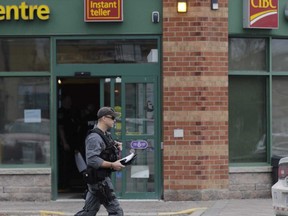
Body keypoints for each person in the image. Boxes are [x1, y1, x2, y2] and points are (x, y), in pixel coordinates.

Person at [75, 107, 125, 216]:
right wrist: (112, 164)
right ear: (103, 118)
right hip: (99, 181)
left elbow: (108, 154)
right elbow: (93, 160)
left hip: (98, 180)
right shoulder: (94, 137)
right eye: (112, 118)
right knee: (116, 212)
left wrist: (118, 148)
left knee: (89, 212)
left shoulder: (105, 135)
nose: (114, 120)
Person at [57, 94, 79, 191]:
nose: (70, 102)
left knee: (70, 163)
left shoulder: (72, 112)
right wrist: (64, 142)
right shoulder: (61, 112)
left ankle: (68, 184)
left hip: (72, 142)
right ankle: (62, 185)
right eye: (68, 100)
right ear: (64, 101)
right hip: (65, 144)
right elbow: (60, 128)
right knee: (64, 164)